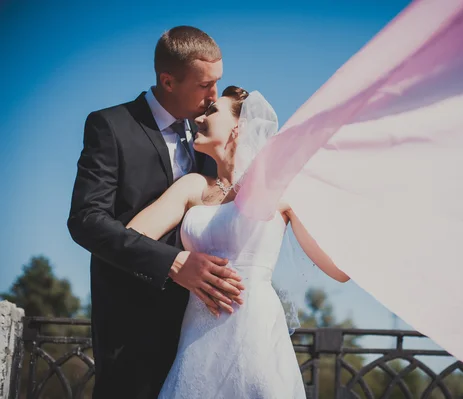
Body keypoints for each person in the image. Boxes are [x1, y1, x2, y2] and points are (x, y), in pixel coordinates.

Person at [126, 86, 349, 399]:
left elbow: (339, 270)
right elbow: (131, 237)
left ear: (238, 126)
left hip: (254, 333)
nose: (199, 118)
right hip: (196, 335)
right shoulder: (192, 187)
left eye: (212, 111)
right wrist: (178, 266)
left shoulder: (279, 190)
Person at [67, 26, 245, 398]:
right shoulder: (111, 127)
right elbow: (87, 222)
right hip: (132, 325)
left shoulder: (210, 139)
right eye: (204, 85)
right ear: (167, 80)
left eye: (218, 82)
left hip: (203, 324)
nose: (214, 96)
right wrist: (172, 263)